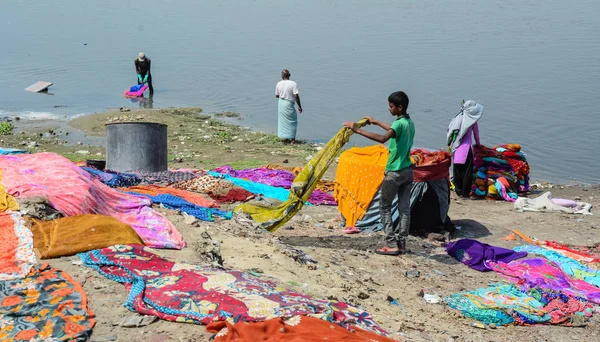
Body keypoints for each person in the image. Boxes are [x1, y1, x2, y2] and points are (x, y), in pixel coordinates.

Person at [343, 91, 415, 256]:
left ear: (400, 107)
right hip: (408, 171)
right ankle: (402, 243)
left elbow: (384, 138)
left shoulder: (398, 125)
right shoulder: (409, 123)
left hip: (394, 172)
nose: (389, 109)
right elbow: (392, 129)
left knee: (384, 207)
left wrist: (357, 130)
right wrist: (375, 121)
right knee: (404, 208)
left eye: (391, 106)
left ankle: (391, 243)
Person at [446, 100, 483, 198]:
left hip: (456, 149)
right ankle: (465, 193)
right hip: (466, 150)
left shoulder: (457, 118)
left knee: (457, 171)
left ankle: (458, 192)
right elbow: (476, 135)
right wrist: (478, 145)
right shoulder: (471, 122)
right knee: (467, 172)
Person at [275, 69, 302, 144]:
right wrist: (299, 106)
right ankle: (292, 139)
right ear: (289, 75)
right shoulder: (293, 84)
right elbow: (296, 95)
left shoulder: (279, 84)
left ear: (282, 76)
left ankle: (284, 137)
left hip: (281, 103)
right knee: (292, 120)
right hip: (289, 103)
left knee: (282, 120)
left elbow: (277, 95)